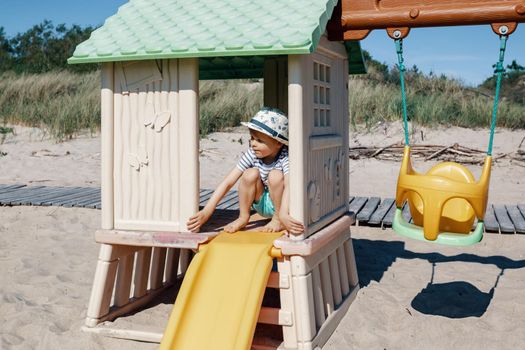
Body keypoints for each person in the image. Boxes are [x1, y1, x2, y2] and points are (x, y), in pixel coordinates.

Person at [187, 107, 304, 235]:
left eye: (259, 140)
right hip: (260, 202)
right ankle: (243, 217)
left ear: (278, 143)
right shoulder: (252, 154)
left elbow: (289, 185)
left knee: (275, 175)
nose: (253, 143)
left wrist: (283, 214)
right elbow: (228, 182)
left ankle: (277, 220)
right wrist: (207, 211)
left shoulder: (285, 157)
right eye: (252, 138)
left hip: (281, 205)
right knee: (249, 173)